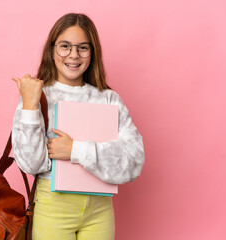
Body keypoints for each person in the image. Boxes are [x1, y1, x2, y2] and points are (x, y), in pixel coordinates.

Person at [11, 13, 144, 240]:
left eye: (83, 47)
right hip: (53, 206)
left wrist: (75, 150)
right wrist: (30, 107)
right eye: (65, 46)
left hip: (100, 209)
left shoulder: (109, 99)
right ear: (52, 50)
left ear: (92, 53)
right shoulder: (38, 97)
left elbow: (134, 161)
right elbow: (30, 164)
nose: (73, 55)